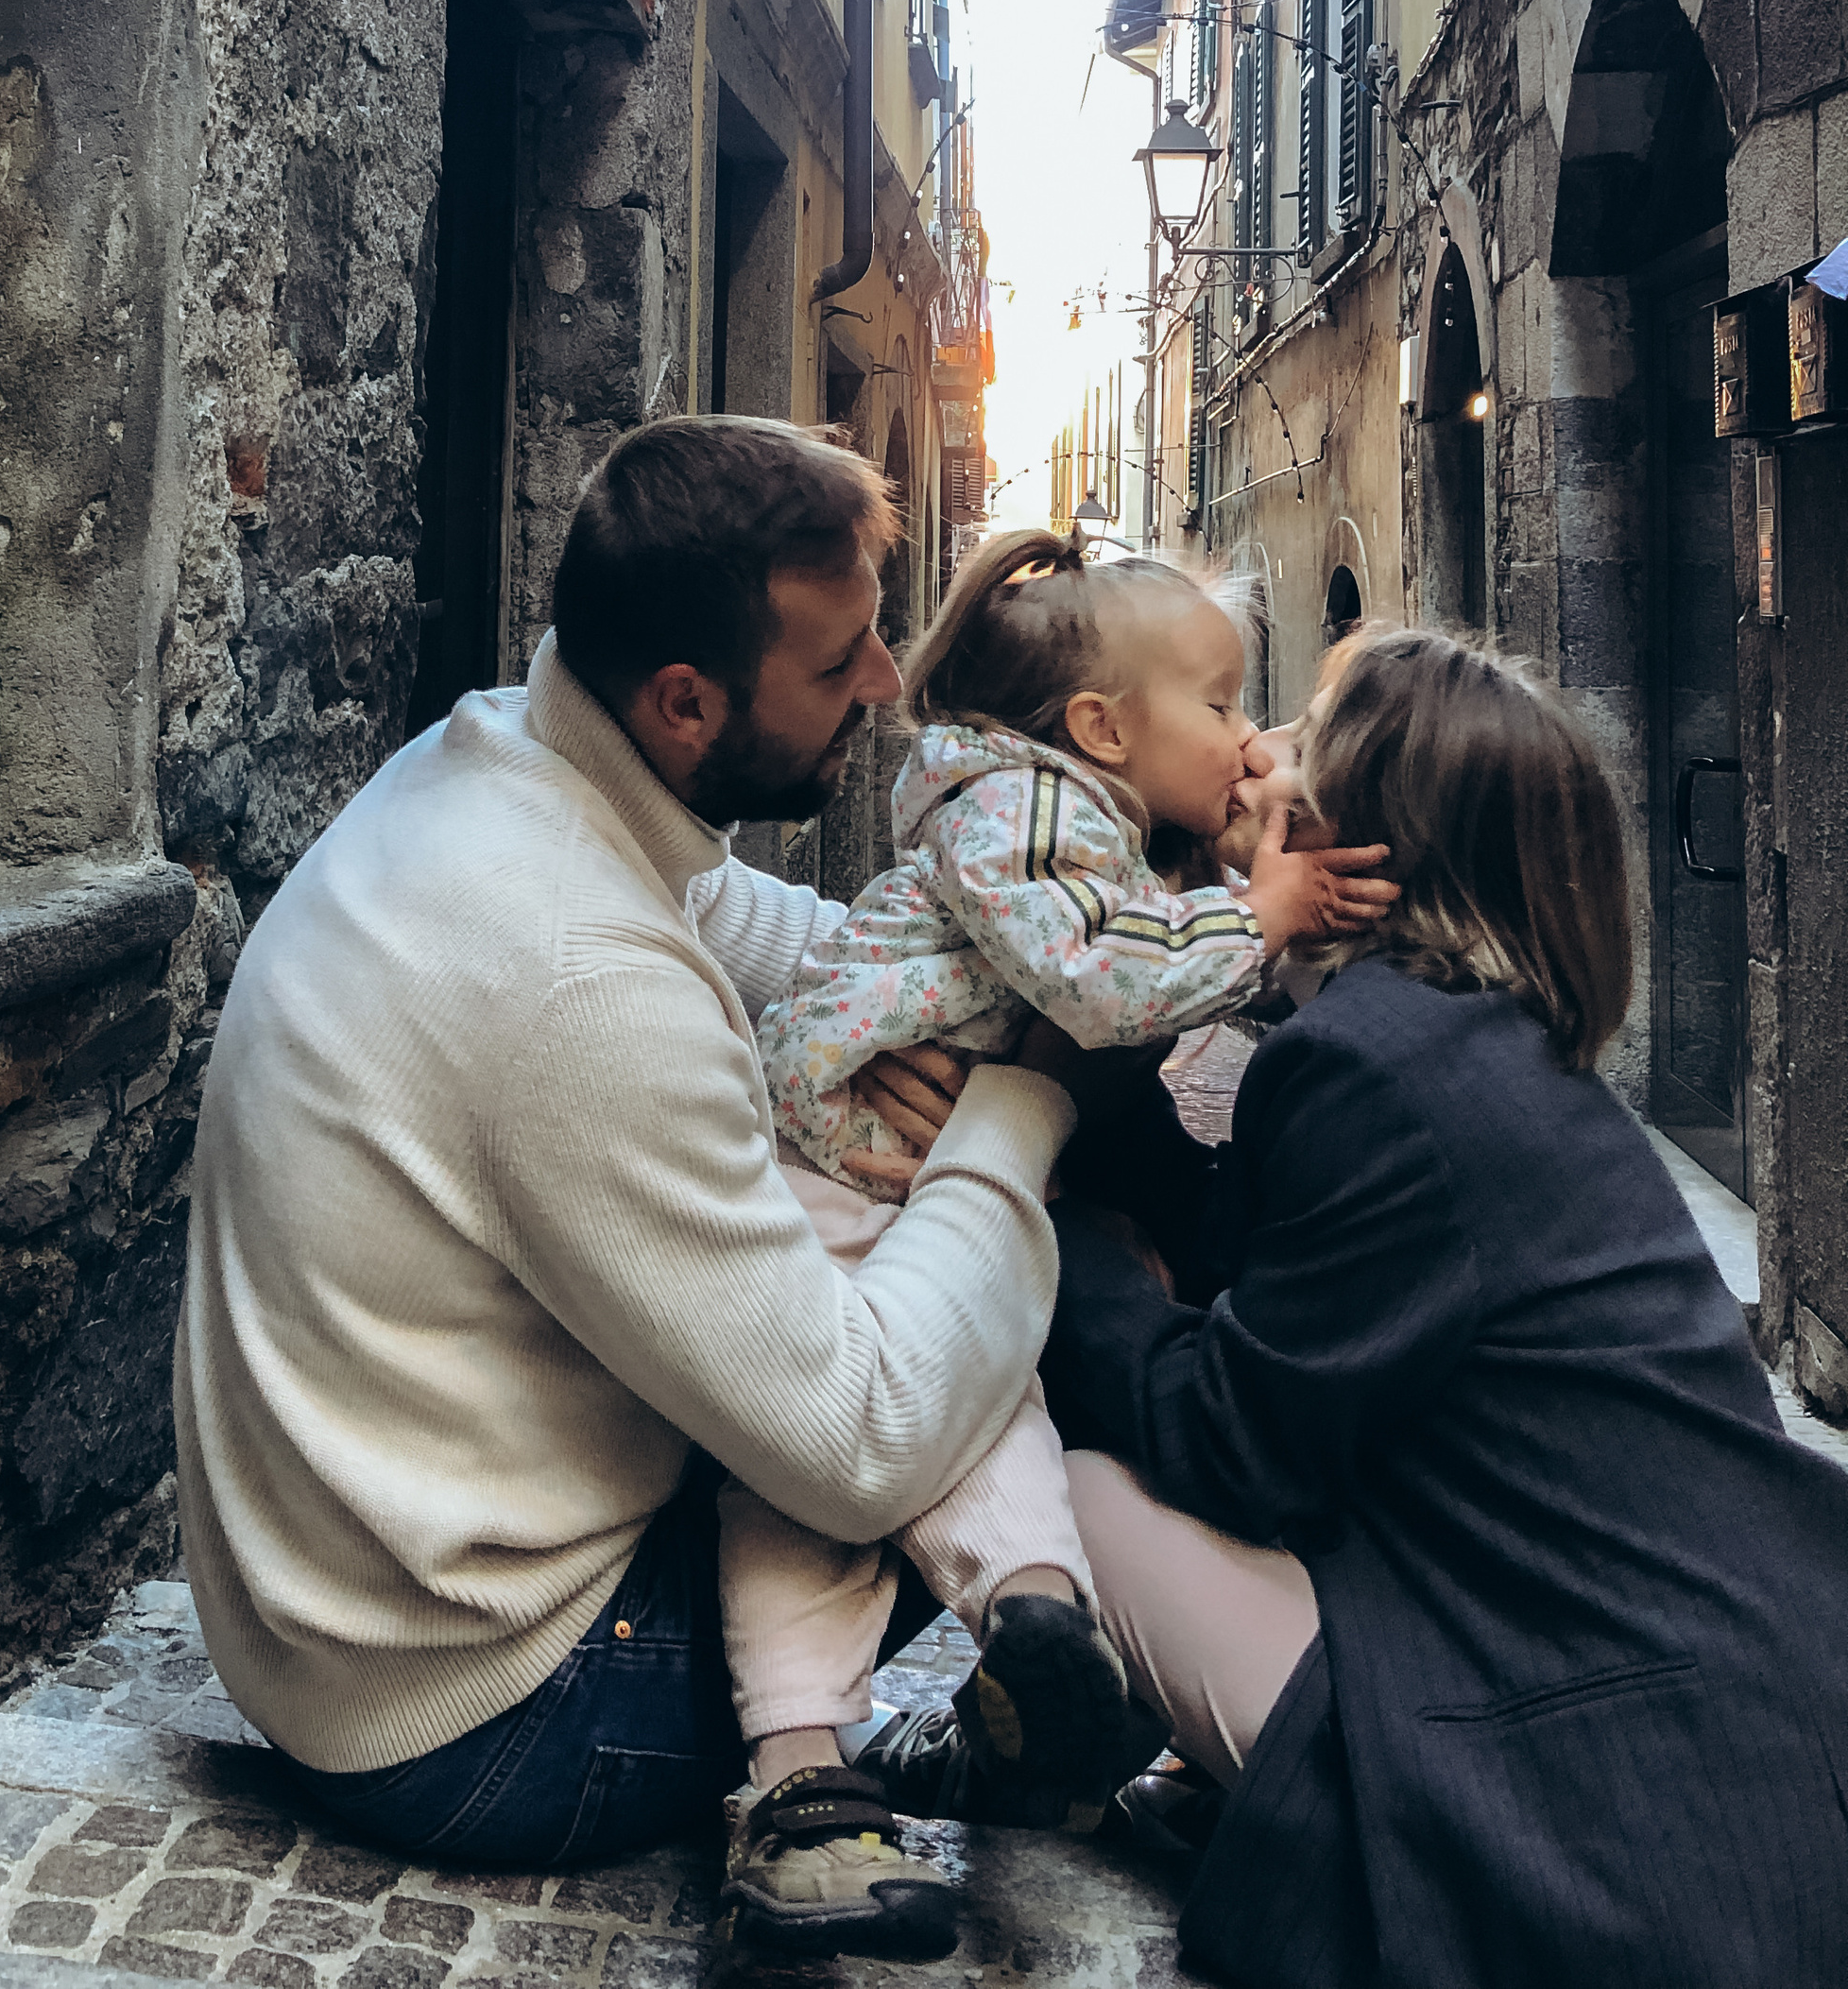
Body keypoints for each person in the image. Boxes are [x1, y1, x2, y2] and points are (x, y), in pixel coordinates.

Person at [174, 419, 1085, 1957]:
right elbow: (860, 1441)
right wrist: (1028, 1098)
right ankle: (1065, 1704)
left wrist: (948, 989)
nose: (884, 682)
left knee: (955, 1260)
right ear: (685, 702)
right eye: (839, 661)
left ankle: (1002, 1700)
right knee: (1040, 1308)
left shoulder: (513, 756)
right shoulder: (579, 979)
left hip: (328, 1624)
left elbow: (756, 928)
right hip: (482, 1712)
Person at [1024, 626, 1848, 1989]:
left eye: (1300, 735)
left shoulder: (1375, 1066)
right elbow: (1267, 1276)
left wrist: (1031, 1224)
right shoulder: (1454, 1044)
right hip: (1713, 1686)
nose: (1254, 747)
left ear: (1364, 842)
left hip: (1607, 1764)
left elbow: (1226, 1432)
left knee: (1078, 1488)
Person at [716, 528, 1393, 1912]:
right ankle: (800, 1743)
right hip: (841, 1162)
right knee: (816, 1448)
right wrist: (1262, 915)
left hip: (921, 1165)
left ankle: (1037, 1610)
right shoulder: (1025, 815)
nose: (1248, 739)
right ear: (1103, 728)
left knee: (984, 1383)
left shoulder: (1079, 824)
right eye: (1222, 704)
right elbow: (1100, 980)